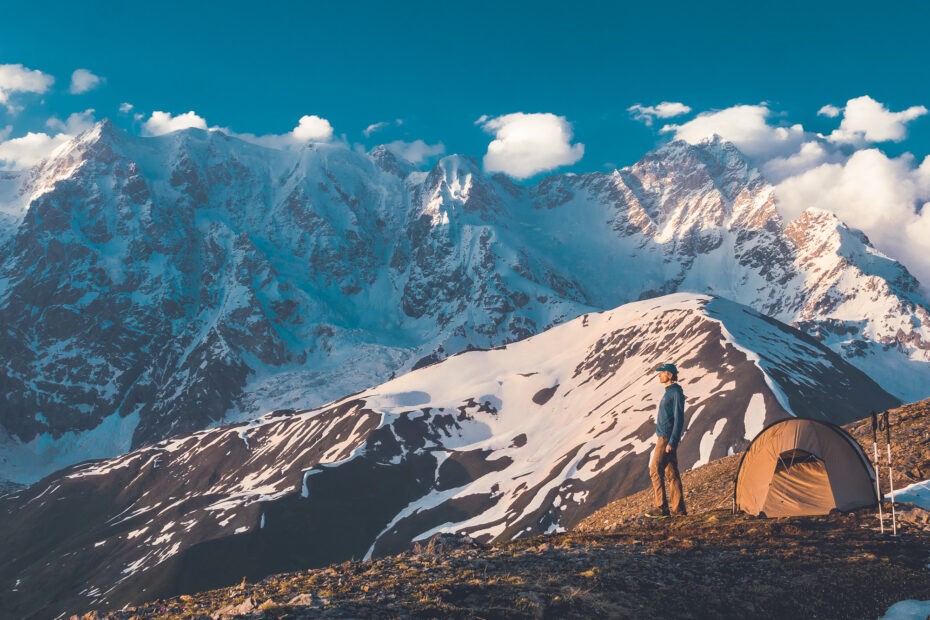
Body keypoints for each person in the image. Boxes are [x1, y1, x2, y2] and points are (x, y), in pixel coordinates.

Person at [645, 362, 687, 518]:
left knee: (654, 469)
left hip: (666, 438)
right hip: (665, 437)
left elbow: (679, 418)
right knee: (671, 473)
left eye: (662, 373)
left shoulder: (675, 392)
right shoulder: (669, 391)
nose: (659, 375)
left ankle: (661, 508)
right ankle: (679, 510)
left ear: (669, 375)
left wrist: (672, 441)